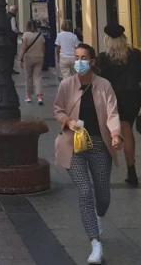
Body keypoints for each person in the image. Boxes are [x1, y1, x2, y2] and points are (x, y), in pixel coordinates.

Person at [53, 42, 122, 265]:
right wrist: (67, 121)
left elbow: (112, 113)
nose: (79, 62)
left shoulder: (104, 86)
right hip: (73, 145)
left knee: (102, 195)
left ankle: (98, 215)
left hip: (100, 144)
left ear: (92, 62)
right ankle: (95, 243)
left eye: (84, 58)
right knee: (85, 191)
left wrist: (115, 134)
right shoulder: (67, 85)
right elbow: (58, 109)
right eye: (77, 57)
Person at [96, 23, 141, 186]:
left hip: (112, 98)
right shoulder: (135, 55)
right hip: (132, 96)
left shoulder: (103, 58)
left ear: (108, 40)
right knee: (127, 130)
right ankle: (132, 170)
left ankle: (106, 170)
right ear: (124, 39)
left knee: (110, 132)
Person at [20, 19, 46, 107]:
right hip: (39, 57)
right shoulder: (40, 35)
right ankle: (39, 96)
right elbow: (43, 48)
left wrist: (20, 59)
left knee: (28, 77)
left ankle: (28, 96)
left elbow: (23, 48)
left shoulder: (26, 35)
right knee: (37, 77)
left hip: (28, 58)